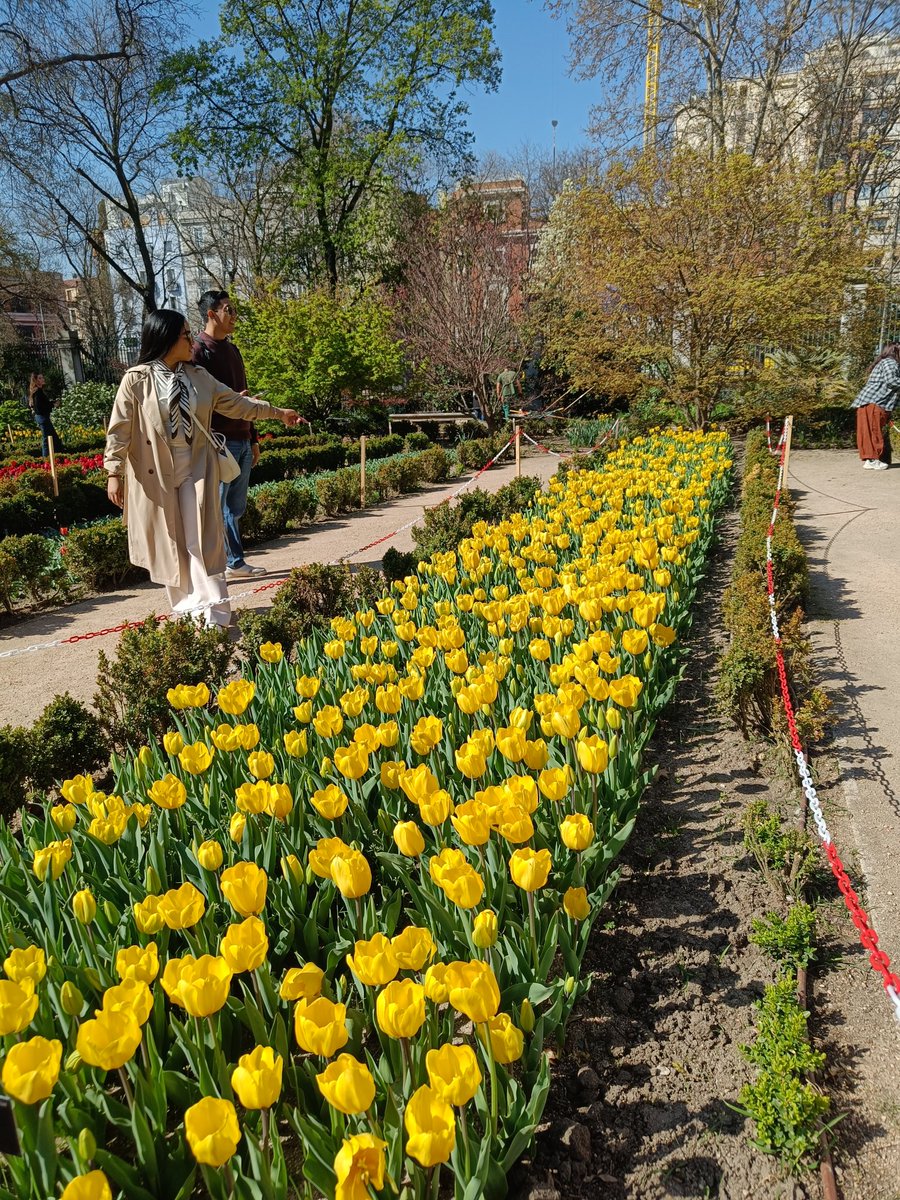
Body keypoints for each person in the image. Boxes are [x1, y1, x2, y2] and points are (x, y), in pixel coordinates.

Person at [104, 309, 301, 627]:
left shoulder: (198, 377)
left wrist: (278, 413)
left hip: (196, 468)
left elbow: (237, 404)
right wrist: (113, 472)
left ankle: (217, 614)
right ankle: (187, 611)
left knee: (203, 541)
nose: (190, 338)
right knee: (172, 543)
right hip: (156, 473)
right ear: (166, 339)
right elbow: (119, 429)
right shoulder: (136, 380)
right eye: (184, 334)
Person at [191, 290, 263, 578]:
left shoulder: (232, 350)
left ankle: (231, 562)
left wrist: (253, 438)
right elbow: (197, 404)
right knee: (219, 506)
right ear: (211, 314)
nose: (233, 316)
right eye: (228, 310)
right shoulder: (197, 351)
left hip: (242, 437)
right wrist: (231, 402)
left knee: (235, 506)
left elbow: (246, 402)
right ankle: (230, 562)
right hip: (219, 441)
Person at [852, 344, 900, 470]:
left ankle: (870, 460)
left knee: (868, 432)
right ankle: (873, 460)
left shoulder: (885, 362)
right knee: (873, 431)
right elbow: (892, 381)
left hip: (870, 402)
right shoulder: (890, 362)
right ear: (896, 351)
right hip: (875, 403)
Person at [28, 373, 63, 458]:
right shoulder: (37, 392)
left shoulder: (39, 391)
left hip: (43, 418)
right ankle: (46, 460)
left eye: (42, 377)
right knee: (47, 440)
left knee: (53, 439)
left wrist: (52, 403)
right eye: (40, 378)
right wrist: (53, 405)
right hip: (42, 418)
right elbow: (40, 408)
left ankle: (56, 457)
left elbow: (42, 405)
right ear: (36, 381)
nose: (43, 379)